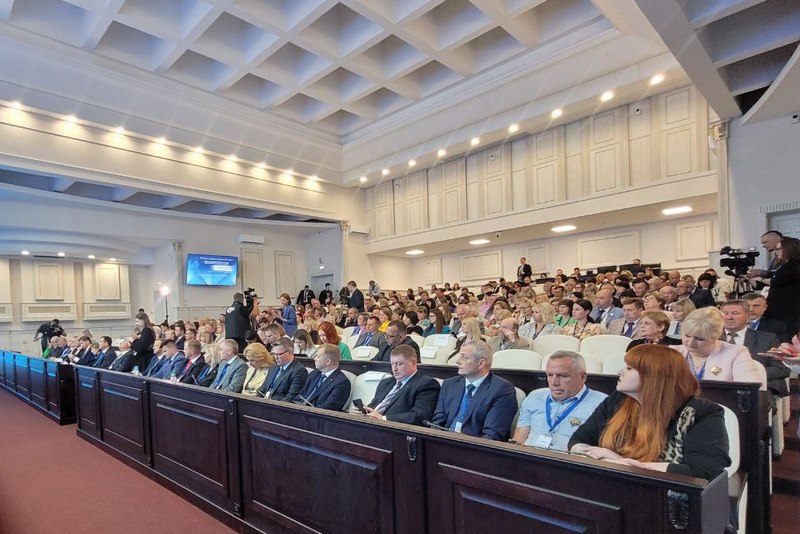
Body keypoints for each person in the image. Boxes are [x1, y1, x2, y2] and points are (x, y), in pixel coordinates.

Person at [569, 344, 731, 480]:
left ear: (653, 376)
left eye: (629, 368)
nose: (620, 371)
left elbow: (703, 471)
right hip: (613, 486)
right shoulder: (618, 400)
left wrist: (625, 464)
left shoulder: (702, 413)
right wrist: (594, 455)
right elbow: (578, 440)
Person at [511, 351, 607, 451]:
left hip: (569, 463)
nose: (554, 382)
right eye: (549, 375)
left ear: (582, 377)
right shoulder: (535, 396)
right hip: (528, 459)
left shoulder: (602, 404)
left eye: (562, 376)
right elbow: (519, 440)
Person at [431, 341, 517, 441]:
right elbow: (437, 423)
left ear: (481, 363)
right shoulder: (449, 384)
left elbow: (492, 435)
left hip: (476, 449)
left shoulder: (502, 389)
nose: (457, 361)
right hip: (443, 444)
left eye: (464, 357)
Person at [674, 307, 764, 388]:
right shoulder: (671, 352)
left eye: (700, 339)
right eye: (687, 336)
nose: (690, 343)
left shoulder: (736, 353)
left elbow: (748, 389)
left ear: (714, 338)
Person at [720, 300, 788, 397]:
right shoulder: (710, 339)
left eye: (735, 313)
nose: (729, 317)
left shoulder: (768, 339)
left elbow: (781, 369)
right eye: (725, 313)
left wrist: (751, 374)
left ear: (748, 316)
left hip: (756, 388)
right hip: (719, 387)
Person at [364, 345, 440, 425]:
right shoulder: (385, 382)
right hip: (371, 424)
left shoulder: (426, 384)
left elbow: (419, 416)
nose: (394, 369)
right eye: (392, 364)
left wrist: (383, 418)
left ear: (413, 363)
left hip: (395, 430)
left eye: (399, 364)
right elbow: (374, 406)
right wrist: (364, 411)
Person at [298, 343, 351, 411]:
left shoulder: (342, 383)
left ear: (328, 361)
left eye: (318, 356)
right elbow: (300, 395)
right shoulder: (314, 374)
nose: (314, 359)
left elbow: (328, 408)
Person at [764, 237, 800, 334]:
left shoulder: (794, 266)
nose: (776, 252)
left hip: (788, 310)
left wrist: (761, 279)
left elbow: (777, 281)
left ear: (789, 249)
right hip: (780, 309)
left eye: (779, 249)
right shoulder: (785, 266)